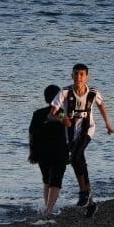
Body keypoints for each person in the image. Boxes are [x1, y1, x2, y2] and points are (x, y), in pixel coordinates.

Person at [51, 64, 114, 215]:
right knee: (78, 162)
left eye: (81, 74)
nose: (78, 77)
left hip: (88, 130)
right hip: (71, 134)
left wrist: (108, 124)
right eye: (76, 74)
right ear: (71, 75)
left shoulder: (93, 92)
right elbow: (52, 112)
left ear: (87, 76)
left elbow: (101, 105)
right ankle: (90, 202)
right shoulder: (65, 92)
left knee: (76, 157)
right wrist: (62, 118)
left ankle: (83, 194)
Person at [27, 84, 69, 219]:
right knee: (56, 180)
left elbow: (31, 134)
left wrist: (32, 152)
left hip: (42, 152)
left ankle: (47, 208)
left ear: (45, 98)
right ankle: (49, 209)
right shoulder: (61, 113)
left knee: (46, 180)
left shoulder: (37, 113)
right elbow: (70, 132)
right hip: (59, 152)